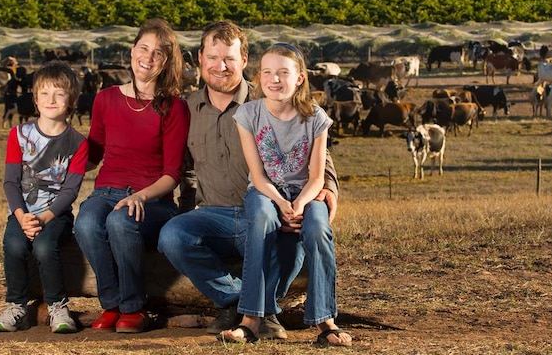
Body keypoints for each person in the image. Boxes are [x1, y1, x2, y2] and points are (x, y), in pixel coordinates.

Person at [158, 21, 339, 340]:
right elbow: (183, 169)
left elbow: (313, 151)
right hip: (216, 216)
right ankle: (241, 304)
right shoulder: (188, 109)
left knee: (289, 242)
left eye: (229, 58)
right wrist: (184, 210)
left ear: (244, 60)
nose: (220, 66)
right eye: (212, 57)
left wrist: (328, 188)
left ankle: (254, 312)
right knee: (173, 235)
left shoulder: (269, 98)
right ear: (200, 58)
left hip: (269, 212)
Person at [221, 42, 352, 346]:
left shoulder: (316, 118)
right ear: (258, 77)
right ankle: (251, 319)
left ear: (300, 78)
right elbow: (258, 176)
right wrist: (281, 203)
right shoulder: (248, 115)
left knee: (319, 228)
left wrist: (300, 204)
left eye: (283, 72)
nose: (275, 79)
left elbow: (317, 176)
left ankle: (325, 320)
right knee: (261, 220)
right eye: (267, 72)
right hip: (266, 191)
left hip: (306, 191)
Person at [74, 18, 191, 333]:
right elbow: (93, 153)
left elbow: (172, 174)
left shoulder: (174, 108)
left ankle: (134, 308)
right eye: (144, 48)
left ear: (166, 62)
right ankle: (111, 305)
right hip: (106, 192)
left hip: (153, 199)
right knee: (85, 221)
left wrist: (140, 195)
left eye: (158, 54)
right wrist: (59, 151)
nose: (148, 57)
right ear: (131, 51)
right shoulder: (106, 99)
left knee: (120, 220)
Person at [0, 60, 88, 334]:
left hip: (54, 214)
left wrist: (45, 218)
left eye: (59, 94)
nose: (51, 99)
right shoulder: (19, 135)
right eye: (44, 93)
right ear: (35, 99)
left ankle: (58, 306)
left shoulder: (78, 143)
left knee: (45, 248)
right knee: (14, 245)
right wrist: (22, 217)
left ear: (71, 101)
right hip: (22, 213)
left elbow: (70, 190)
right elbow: (11, 182)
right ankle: (16, 306)